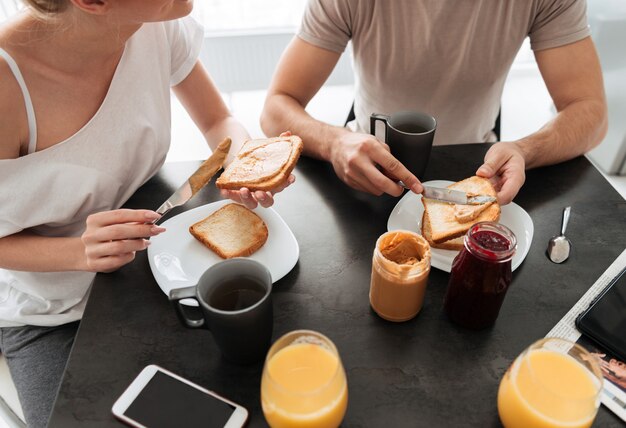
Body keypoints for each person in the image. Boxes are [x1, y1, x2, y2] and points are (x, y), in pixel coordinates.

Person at [0, 1, 291, 426]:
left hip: (155, 257)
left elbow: (219, 120)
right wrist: (78, 252)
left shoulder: (153, 21)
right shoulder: (7, 84)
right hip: (52, 311)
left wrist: (244, 163)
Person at [260, 0, 608, 205]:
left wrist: (524, 149)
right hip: (369, 172)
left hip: (477, 171)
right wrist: (335, 142)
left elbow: (591, 112)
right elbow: (276, 107)